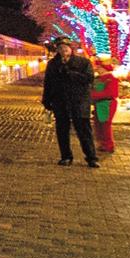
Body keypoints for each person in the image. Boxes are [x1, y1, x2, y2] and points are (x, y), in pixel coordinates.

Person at [42, 37, 99, 167]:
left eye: (65, 48)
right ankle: (66, 156)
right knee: (62, 130)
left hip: (79, 101)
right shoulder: (52, 64)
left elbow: (89, 79)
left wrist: (71, 73)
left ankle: (91, 158)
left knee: (84, 131)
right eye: (60, 48)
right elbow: (48, 83)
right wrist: (46, 100)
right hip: (60, 101)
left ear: (70, 49)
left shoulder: (83, 62)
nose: (63, 51)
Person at [91, 58, 120, 153]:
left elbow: (111, 93)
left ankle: (108, 145)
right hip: (99, 104)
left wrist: (92, 95)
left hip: (107, 104)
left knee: (105, 124)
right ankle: (102, 143)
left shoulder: (111, 79)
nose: (97, 69)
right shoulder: (98, 79)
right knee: (98, 124)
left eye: (99, 67)